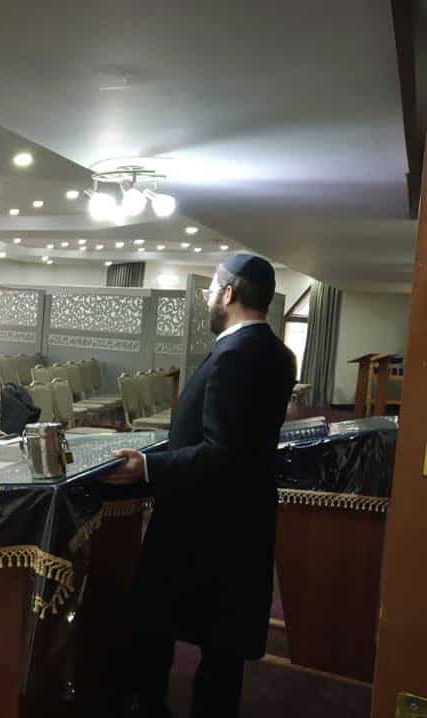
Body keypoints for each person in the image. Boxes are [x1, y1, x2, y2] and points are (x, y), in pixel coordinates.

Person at [104, 254, 297, 718]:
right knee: (223, 646)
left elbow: (221, 451)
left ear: (229, 292)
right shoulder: (278, 353)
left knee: (155, 624)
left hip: (201, 524)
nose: (208, 298)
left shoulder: (233, 356)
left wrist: (148, 469)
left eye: (211, 289)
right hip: (245, 517)